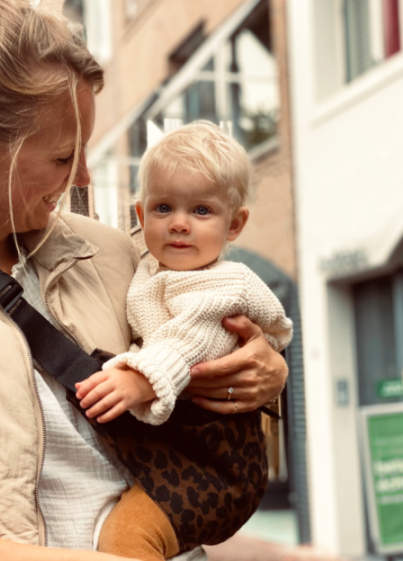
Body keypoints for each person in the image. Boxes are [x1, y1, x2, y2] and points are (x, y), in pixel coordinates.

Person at [0, 2, 289, 560]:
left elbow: (208, 333)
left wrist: (262, 369)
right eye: (62, 156)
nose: (82, 176)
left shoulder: (108, 250)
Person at [75, 121, 293, 561]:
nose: (178, 224)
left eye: (201, 211)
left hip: (218, 464)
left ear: (235, 225)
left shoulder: (224, 285)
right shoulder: (149, 274)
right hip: (180, 455)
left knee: (127, 538)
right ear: (139, 216)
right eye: (162, 208)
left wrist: (139, 379)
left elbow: (189, 339)